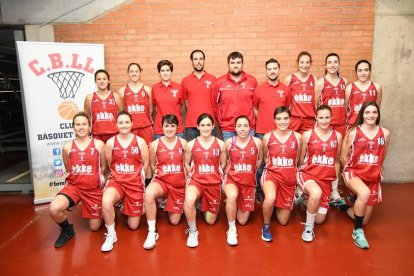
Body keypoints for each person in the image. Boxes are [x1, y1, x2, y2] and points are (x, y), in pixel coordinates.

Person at [49, 112, 106, 248]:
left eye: (84, 124)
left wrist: (95, 180)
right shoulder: (67, 147)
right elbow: (68, 168)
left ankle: (103, 209)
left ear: (89, 126)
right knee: (54, 209)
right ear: (73, 127)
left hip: (93, 190)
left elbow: (104, 167)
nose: (81, 127)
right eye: (77, 124)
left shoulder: (99, 145)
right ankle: (67, 230)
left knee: (94, 227)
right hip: (74, 187)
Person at [341, 101, 390, 249]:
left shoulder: (385, 133)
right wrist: (351, 175)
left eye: (374, 112)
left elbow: (383, 155)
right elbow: (343, 157)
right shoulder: (353, 132)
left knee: (365, 219)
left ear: (378, 114)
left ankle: (342, 207)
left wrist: (374, 169)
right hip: (354, 173)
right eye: (367, 112)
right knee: (364, 193)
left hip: (373, 177)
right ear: (362, 114)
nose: (371, 115)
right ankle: (358, 231)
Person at [100, 111, 149, 252]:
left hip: (134, 184)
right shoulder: (110, 143)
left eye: (127, 122)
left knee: (133, 226)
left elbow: (145, 164)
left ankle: (126, 205)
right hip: (117, 182)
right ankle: (111, 234)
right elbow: (110, 164)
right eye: (121, 122)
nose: (124, 125)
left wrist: (134, 176)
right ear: (116, 125)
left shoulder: (140, 142)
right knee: (106, 201)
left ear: (132, 124)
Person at [296, 105, 342, 242]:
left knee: (320, 220)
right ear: (316, 117)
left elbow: (337, 161)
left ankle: (303, 199)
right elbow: (301, 158)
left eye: (327, 117)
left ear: (331, 117)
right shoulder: (308, 135)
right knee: (316, 194)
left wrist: (334, 186)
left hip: (325, 179)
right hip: (308, 174)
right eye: (321, 117)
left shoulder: (337, 136)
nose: (324, 120)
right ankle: (308, 228)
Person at [143, 114, 187, 250]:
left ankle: (168, 201)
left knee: (174, 222)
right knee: (149, 194)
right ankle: (152, 231)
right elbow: (153, 165)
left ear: (177, 127)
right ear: (161, 127)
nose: (169, 129)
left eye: (172, 126)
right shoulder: (155, 145)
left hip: (178, 184)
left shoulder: (183, 143)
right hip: (162, 181)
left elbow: (186, 165)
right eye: (166, 126)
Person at [183, 113, 227, 248]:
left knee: (210, 221)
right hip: (197, 180)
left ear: (213, 126)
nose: (206, 128)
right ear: (197, 127)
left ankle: (204, 204)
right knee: (189, 199)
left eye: (208, 125)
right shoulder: (190, 144)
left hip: (213, 182)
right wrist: (193, 174)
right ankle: (192, 230)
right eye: (203, 125)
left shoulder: (221, 144)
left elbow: (223, 164)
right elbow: (186, 163)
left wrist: (213, 173)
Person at [261, 106, 302, 242]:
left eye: (285, 118)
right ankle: (266, 226)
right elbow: (266, 158)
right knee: (270, 197)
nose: (282, 122)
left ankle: (278, 203)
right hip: (271, 175)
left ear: (290, 119)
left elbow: (297, 160)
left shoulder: (297, 137)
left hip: (288, 178)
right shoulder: (267, 137)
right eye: (279, 119)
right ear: (274, 120)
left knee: (283, 221)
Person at [253, 58, 291, 203]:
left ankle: (277, 190)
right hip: (262, 132)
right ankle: (259, 191)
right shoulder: (259, 89)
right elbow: (255, 108)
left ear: (279, 70)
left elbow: (287, 108)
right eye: (269, 69)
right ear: (266, 71)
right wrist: (264, 119)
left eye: (275, 68)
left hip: (280, 134)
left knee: (277, 162)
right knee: (261, 163)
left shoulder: (285, 89)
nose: (272, 71)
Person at [223, 115, 263, 246]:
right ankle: (231, 229)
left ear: (250, 127)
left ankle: (234, 202)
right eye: (239, 126)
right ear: (234, 128)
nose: (242, 129)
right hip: (232, 179)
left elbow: (259, 160)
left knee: (242, 221)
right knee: (232, 195)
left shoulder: (257, 142)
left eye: (245, 126)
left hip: (248, 182)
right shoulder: (228, 142)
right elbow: (224, 161)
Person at [314, 53, 348, 208]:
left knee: (336, 158)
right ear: (325, 66)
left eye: (336, 62)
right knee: (320, 156)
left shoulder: (344, 82)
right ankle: (315, 187)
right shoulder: (321, 82)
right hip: (325, 125)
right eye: (330, 62)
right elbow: (316, 105)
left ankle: (334, 190)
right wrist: (321, 121)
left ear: (339, 64)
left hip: (340, 125)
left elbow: (346, 104)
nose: (333, 65)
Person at [211, 51, 258, 141]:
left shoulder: (252, 81)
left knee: (248, 154)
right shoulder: (219, 83)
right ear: (228, 64)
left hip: (248, 127)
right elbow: (214, 105)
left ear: (242, 64)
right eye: (232, 63)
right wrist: (222, 121)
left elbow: (256, 104)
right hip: (228, 128)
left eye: (238, 62)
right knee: (230, 154)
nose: (235, 65)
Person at [181, 49, 217, 141]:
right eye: (195, 59)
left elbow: (216, 101)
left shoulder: (213, 79)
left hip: (209, 124)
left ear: (204, 60)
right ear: (192, 62)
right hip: (191, 124)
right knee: (192, 153)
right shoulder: (185, 81)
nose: (198, 62)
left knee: (211, 153)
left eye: (201, 59)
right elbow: (186, 102)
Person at [118, 63, 153, 145]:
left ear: (140, 73)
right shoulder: (122, 91)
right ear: (128, 73)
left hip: (146, 128)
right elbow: (121, 111)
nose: (134, 74)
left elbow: (151, 110)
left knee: (147, 153)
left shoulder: (148, 90)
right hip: (130, 129)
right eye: (131, 71)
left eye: (136, 71)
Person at [84, 69, 123, 143]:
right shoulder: (89, 98)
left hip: (114, 134)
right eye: (99, 79)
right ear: (95, 81)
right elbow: (87, 117)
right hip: (96, 135)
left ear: (109, 81)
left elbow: (121, 116)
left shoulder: (116, 96)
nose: (102, 81)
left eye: (104, 79)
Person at [284, 51, 317, 134]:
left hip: (309, 119)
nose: (304, 65)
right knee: (293, 144)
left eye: (307, 62)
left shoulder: (314, 79)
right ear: (297, 63)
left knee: (308, 145)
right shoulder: (290, 79)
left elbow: (317, 101)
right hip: (294, 118)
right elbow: (284, 101)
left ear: (310, 64)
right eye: (302, 62)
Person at [152, 60, 185, 139]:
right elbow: (154, 106)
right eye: (162, 71)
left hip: (177, 130)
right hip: (160, 130)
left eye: (168, 70)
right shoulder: (154, 88)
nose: (165, 73)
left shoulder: (178, 87)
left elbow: (182, 105)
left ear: (171, 72)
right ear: (159, 73)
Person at [345, 60, 382, 129]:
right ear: (356, 72)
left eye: (366, 70)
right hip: (353, 124)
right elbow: (346, 108)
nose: (363, 73)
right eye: (360, 70)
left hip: (370, 125)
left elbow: (377, 107)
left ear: (370, 71)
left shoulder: (377, 87)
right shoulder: (349, 88)